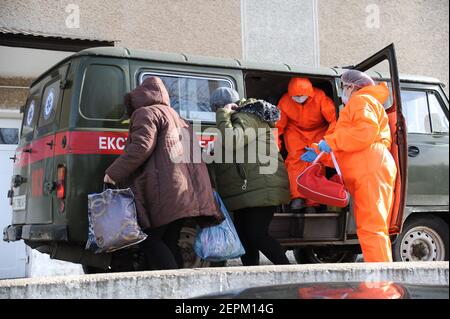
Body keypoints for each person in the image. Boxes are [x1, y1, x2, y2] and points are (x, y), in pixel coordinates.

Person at [104, 77, 223, 270]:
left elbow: (141, 147)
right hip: (184, 191)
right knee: (169, 240)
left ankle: (171, 284)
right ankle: (178, 285)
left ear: (137, 99)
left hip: (166, 192)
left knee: (148, 238)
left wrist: (112, 173)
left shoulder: (145, 113)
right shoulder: (176, 116)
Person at [303, 70, 397, 262]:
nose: (341, 91)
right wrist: (320, 155)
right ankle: (378, 278)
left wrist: (332, 142)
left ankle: (380, 282)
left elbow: (365, 132)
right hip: (368, 167)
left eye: (343, 86)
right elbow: (348, 148)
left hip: (370, 168)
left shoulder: (361, 101)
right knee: (369, 226)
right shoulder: (362, 102)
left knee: (372, 227)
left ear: (352, 87)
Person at [211, 87, 291, 266]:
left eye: (216, 108)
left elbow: (232, 141)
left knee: (257, 234)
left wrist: (222, 114)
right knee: (244, 237)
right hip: (247, 189)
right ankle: (251, 275)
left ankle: (290, 272)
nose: (215, 113)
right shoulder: (235, 121)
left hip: (261, 187)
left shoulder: (247, 117)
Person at [276, 77, 337, 212]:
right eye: (295, 96)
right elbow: (278, 126)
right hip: (294, 131)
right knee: (294, 162)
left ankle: (313, 201)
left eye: (301, 95)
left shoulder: (320, 97)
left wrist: (329, 140)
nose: (298, 98)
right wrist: (275, 146)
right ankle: (297, 197)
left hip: (318, 131)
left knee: (316, 163)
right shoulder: (285, 101)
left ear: (310, 93)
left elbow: (334, 119)